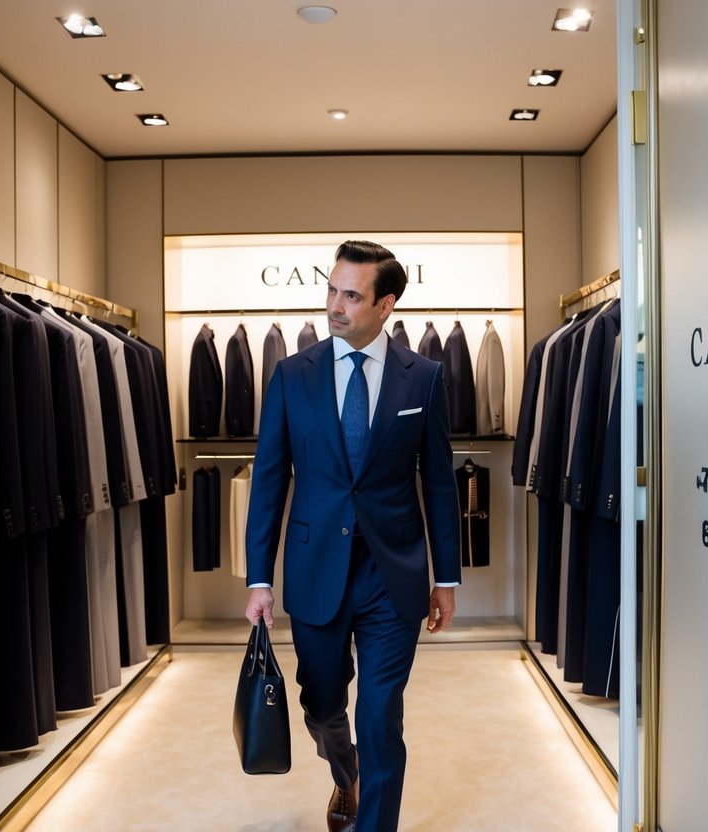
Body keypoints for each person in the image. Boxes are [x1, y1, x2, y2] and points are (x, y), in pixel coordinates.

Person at [244, 240, 462, 832]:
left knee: (380, 712)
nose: (334, 306)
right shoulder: (293, 375)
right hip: (317, 570)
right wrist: (259, 578)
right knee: (320, 702)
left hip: (394, 575)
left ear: (386, 304)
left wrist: (445, 579)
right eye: (332, 290)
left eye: (351, 295)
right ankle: (346, 773)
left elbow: (440, 485)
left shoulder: (424, 378)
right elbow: (269, 479)